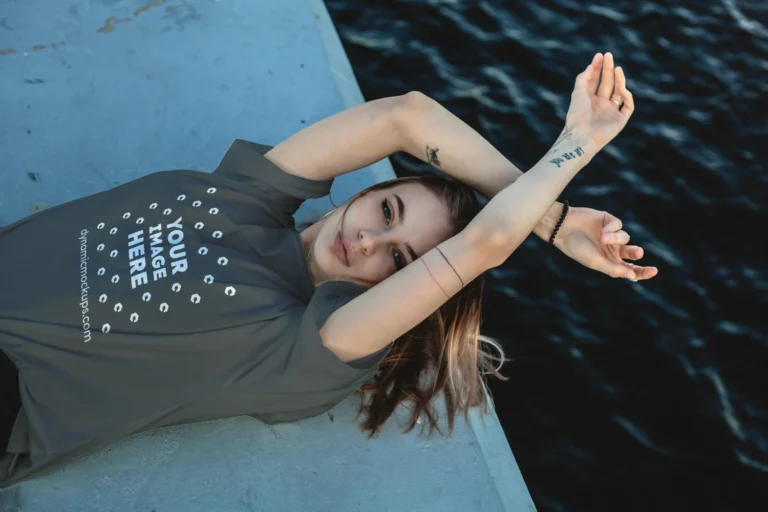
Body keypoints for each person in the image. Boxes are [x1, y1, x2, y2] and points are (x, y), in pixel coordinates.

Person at [0, 52, 657, 489]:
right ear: (363, 193)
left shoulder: (304, 348)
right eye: (388, 210)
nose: (369, 239)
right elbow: (403, 116)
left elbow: (484, 243)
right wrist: (556, 214)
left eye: (400, 261)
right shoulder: (249, 194)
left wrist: (579, 143)